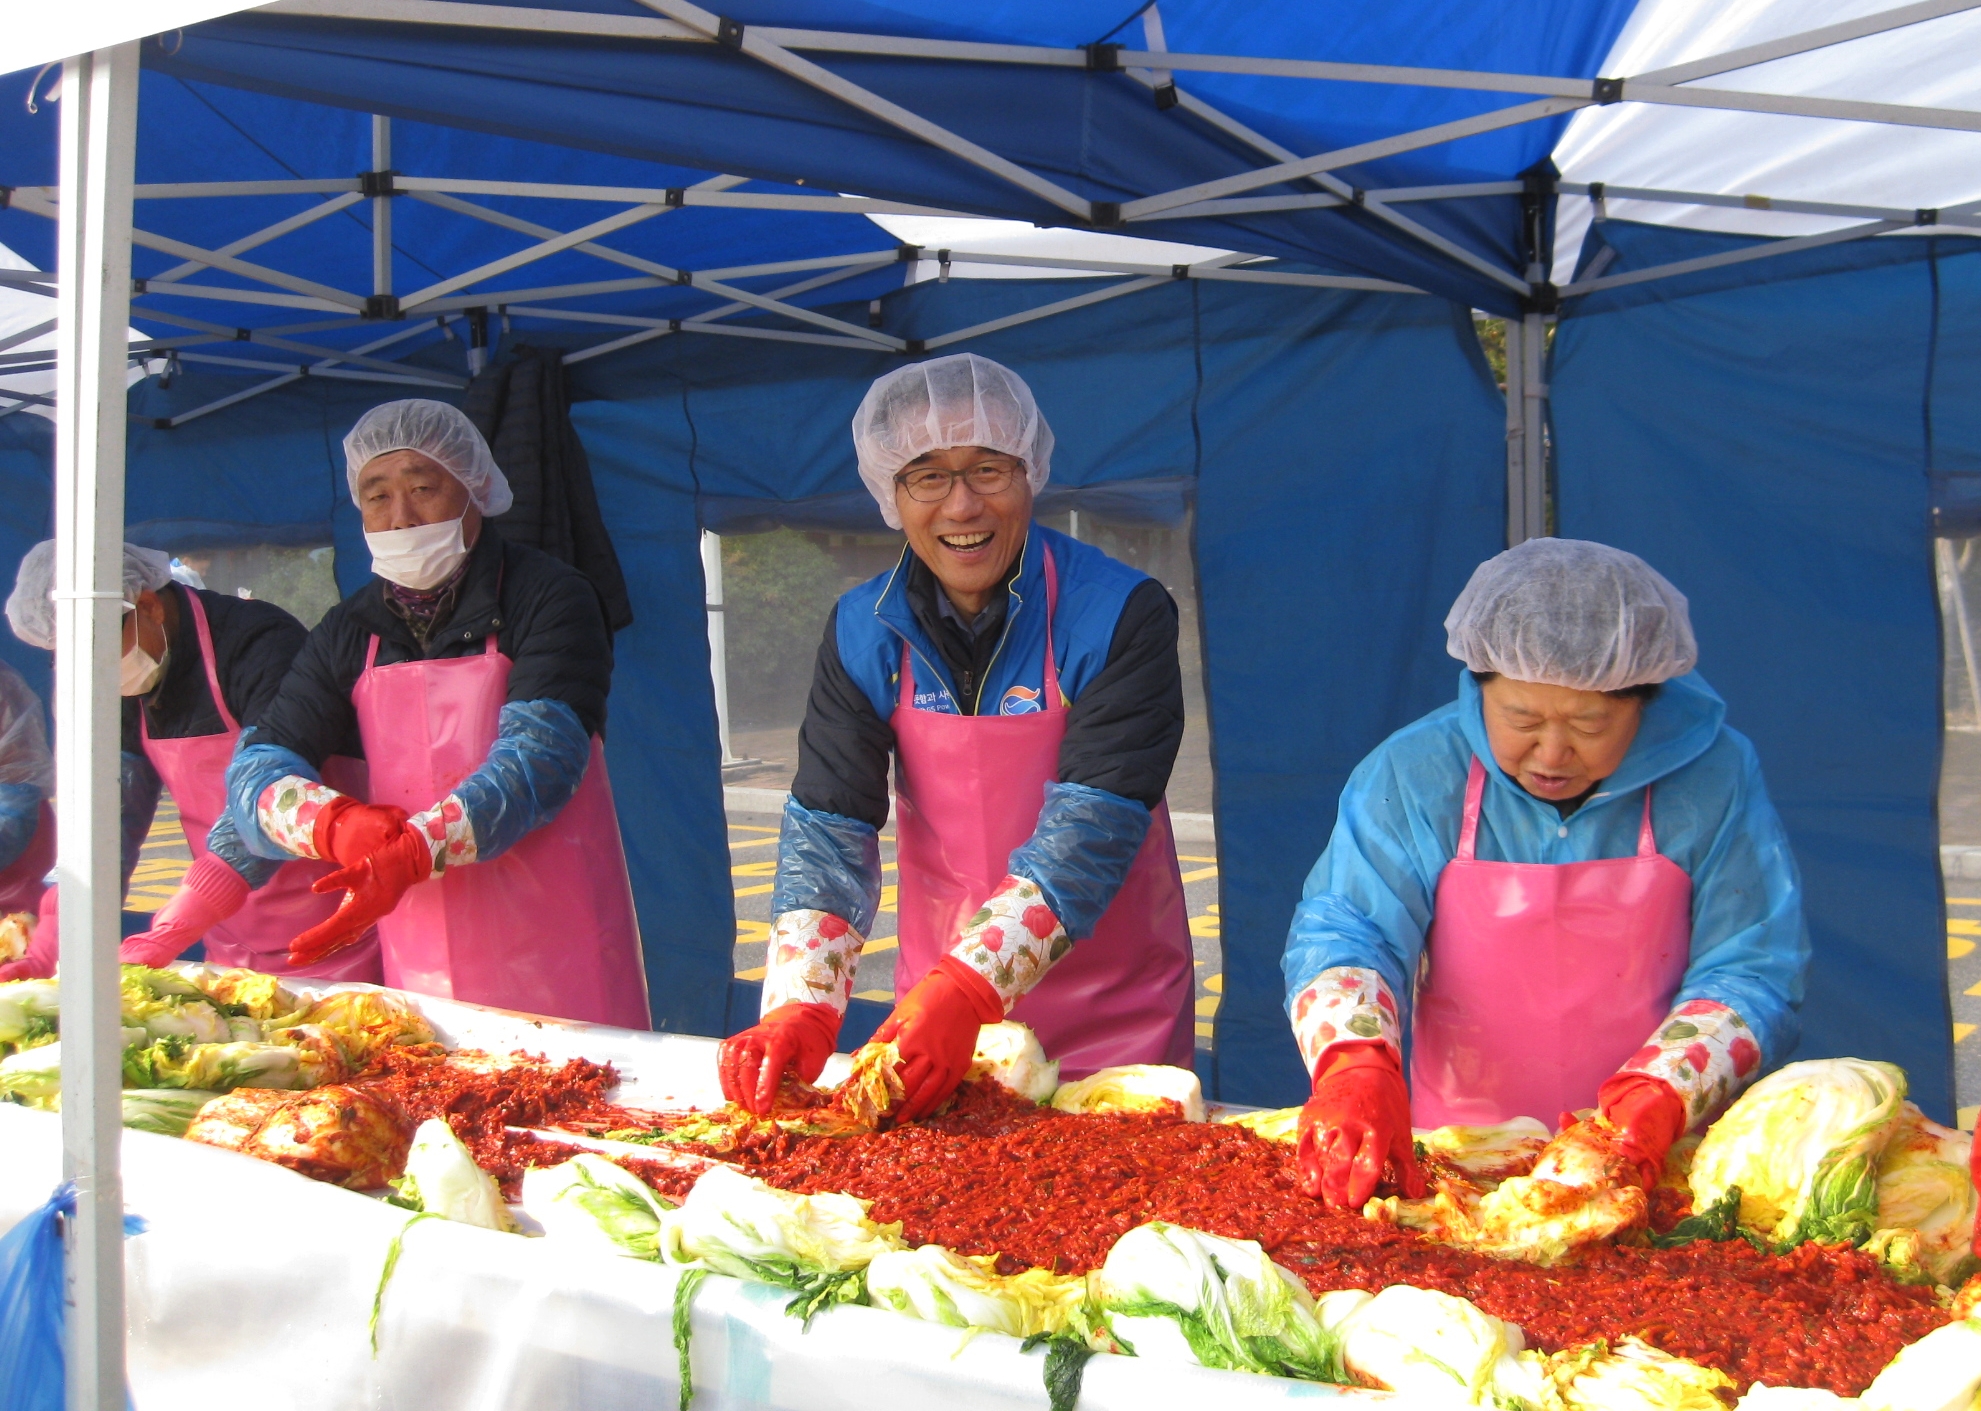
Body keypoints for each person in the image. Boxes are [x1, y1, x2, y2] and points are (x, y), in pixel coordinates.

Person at [719, 353, 1193, 1119]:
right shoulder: (861, 627)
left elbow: (1095, 824)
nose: (961, 505)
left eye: (988, 470)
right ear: (890, 493)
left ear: (1030, 473)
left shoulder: (1120, 611)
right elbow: (831, 824)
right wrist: (800, 1003)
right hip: (939, 1017)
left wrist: (972, 985)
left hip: (1114, 1012)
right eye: (927, 476)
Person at [1282, 538, 1808, 1210]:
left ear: (1645, 700)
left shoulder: (1714, 775)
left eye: (1589, 723)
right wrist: (1354, 1062)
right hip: (1458, 1148)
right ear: (1478, 687)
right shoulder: (1415, 771)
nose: (1552, 751)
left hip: (1661, 1147)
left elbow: (1753, 964)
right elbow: (1348, 928)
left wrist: (1659, 1093)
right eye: (1521, 718)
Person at [224, 399, 648, 1027]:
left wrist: (414, 851)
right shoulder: (349, 629)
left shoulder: (551, 595)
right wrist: (332, 825)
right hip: (416, 946)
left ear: (474, 486)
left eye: (423, 488)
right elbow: (257, 767)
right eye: (377, 496)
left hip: (557, 945)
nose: (400, 517)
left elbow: (542, 757)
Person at [0, 541, 371, 982]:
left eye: (97, 646)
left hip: (344, 926)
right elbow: (107, 815)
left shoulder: (258, 643)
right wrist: (59, 933)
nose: (91, 668)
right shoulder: (120, 682)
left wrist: (177, 923)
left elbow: (271, 794)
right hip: (228, 937)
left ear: (149, 606)